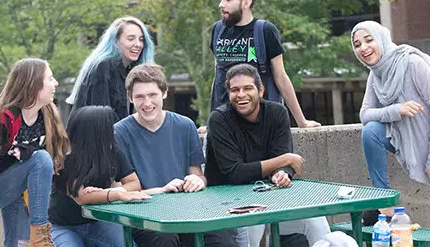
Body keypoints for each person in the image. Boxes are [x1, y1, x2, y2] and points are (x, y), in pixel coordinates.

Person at [205, 64, 330, 247]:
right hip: (229, 206)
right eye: (235, 90)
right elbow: (236, 173)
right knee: (253, 225)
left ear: (261, 90)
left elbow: (283, 157)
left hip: (270, 200)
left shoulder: (277, 113)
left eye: (248, 88)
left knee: (315, 220)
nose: (241, 95)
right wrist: (285, 160)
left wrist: (283, 173)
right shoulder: (219, 119)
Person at [115, 64, 238, 247]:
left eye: (152, 95)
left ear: (164, 93)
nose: (147, 103)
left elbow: (197, 174)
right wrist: (162, 190)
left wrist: (197, 181)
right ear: (130, 98)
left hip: (187, 211)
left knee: (223, 237)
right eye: (140, 97)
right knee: (165, 238)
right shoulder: (118, 133)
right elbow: (118, 191)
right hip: (145, 215)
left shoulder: (185, 125)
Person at [0, 58, 71, 247]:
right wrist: (16, 152)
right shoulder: (4, 119)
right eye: (51, 78)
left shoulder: (47, 116)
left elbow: (54, 157)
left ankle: (34, 238)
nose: (55, 83)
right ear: (33, 85)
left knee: (17, 242)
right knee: (40, 158)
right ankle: (40, 235)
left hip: (27, 188)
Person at [210, 0, 319, 128]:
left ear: (246, 2)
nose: (221, 4)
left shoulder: (265, 31)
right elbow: (218, 77)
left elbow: (280, 77)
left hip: (260, 123)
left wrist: (301, 121)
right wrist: (211, 121)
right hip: (225, 123)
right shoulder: (218, 30)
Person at [351, 21, 430, 224]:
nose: (363, 48)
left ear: (382, 39)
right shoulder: (376, 73)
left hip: (426, 140)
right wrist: (397, 110)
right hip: (403, 136)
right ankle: (384, 203)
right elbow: (365, 115)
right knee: (371, 131)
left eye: (369, 40)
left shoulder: (412, 63)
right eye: (357, 44)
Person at [49, 105, 151, 246]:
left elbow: (134, 183)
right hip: (63, 225)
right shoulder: (65, 156)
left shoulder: (112, 151)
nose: (114, 132)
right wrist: (118, 195)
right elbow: (81, 197)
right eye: (109, 129)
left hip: (100, 221)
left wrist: (109, 192)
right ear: (95, 133)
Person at [66, 16, 155, 122]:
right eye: (131, 39)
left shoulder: (127, 71)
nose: (138, 44)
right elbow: (102, 117)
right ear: (115, 41)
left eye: (141, 39)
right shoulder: (103, 67)